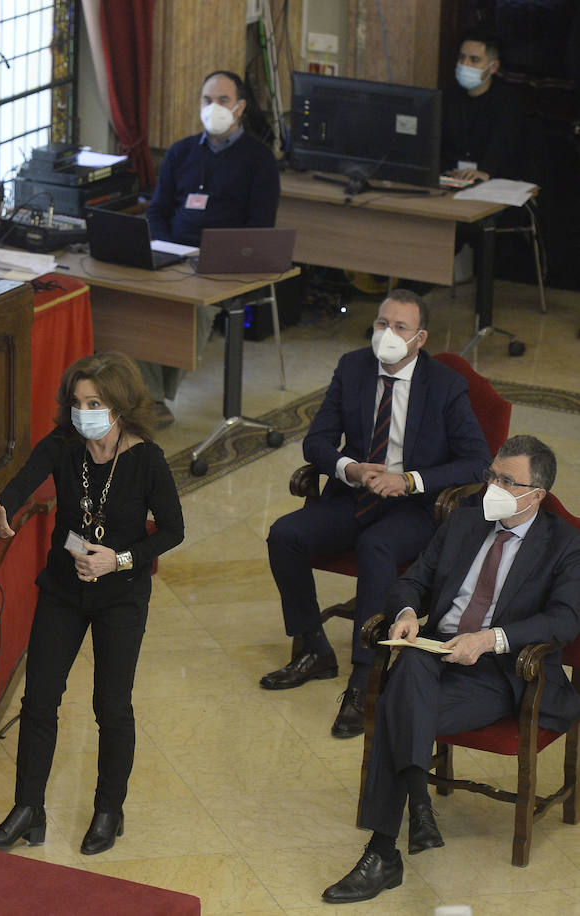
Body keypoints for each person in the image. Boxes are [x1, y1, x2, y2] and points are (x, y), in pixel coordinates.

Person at [323, 436, 580, 904]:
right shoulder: (465, 519)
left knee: (397, 708)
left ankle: (383, 852)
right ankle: (416, 807)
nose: (493, 487)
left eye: (507, 481)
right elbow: (412, 580)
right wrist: (405, 613)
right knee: (413, 663)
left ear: (536, 495)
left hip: (499, 673)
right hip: (435, 652)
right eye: (492, 475)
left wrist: (489, 639)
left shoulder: (564, 544)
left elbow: (564, 620)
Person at [0, 353, 184, 856]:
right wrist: (2, 515)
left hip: (121, 595)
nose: (83, 412)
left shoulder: (147, 460)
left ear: (119, 405)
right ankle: (28, 809)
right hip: (64, 590)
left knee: (111, 706)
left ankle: (109, 810)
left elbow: (173, 530)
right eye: (76, 402)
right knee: (39, 699)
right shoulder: (65, 444)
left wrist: (119, 559)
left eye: (94, 404)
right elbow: (21, 483)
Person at [261, 290, 491, 739]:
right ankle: (314, 649)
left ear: (420, 338)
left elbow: (477, 461)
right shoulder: (353, 367)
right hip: (355, 495)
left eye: (400, 327)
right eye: (382, 323)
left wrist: (411, 480)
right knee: (285, 535)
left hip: (416, 506)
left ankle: (364, 678)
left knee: (376, 546)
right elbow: (317, 440)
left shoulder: (445, 385)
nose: (387, 333)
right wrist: (349, 468)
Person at [142, 70, 281, 425]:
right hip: (172, 255)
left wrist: (218, 256)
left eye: (223, 100)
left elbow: (260, 227)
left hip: (223, 265)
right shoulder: (181, 152)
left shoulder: (259, 160)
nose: (213, 107)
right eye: (207, 100)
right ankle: (149, 396)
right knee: (136, 300)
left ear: (240, 108)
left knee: (193, 309)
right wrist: (163, 247)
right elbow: (157, 210)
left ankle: (155, 398)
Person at [442, 29, 523, 185]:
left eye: (474, 60)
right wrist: (444, 169)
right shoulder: (448, 96)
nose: (464, 65)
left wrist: (486, 171)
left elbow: (503, 146)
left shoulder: (507, 101)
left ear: (493, 67)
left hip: (492, 182)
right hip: (452, 178)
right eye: (461, 58)